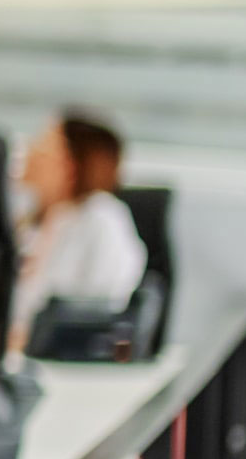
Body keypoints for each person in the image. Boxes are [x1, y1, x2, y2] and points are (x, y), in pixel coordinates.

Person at [9, 110, 148, 349]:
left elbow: (100, 310)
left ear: (69, 166)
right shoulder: (34, 220)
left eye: (42, 146)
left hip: (60, 359)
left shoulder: (101, 217)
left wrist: (23, 340)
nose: (29, 153)